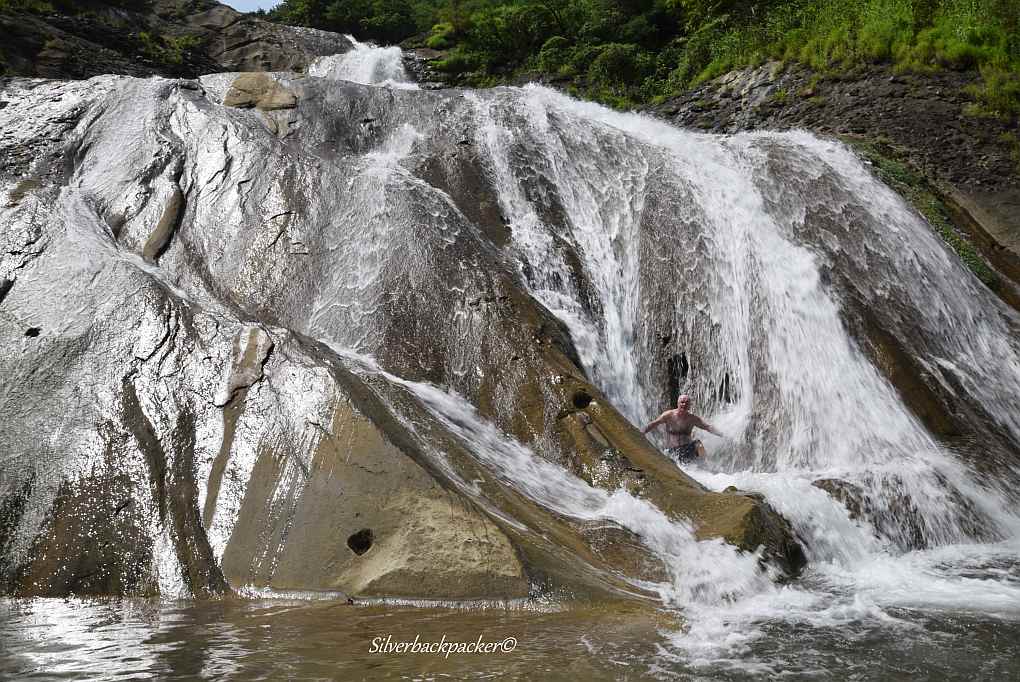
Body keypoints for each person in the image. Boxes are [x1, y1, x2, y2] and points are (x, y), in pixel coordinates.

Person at [641, 394, 721, 465]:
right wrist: (641, 432)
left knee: (698, 444)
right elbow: (654, 424)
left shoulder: (692, 419)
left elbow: (707, 427)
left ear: (689, 406)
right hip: (672, 451)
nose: (684, 404)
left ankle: (704, 465)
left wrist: (721, 434)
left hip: (686, 450)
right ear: (678, 404)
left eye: (687, 403)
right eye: (682, 402)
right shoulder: (668, 415)